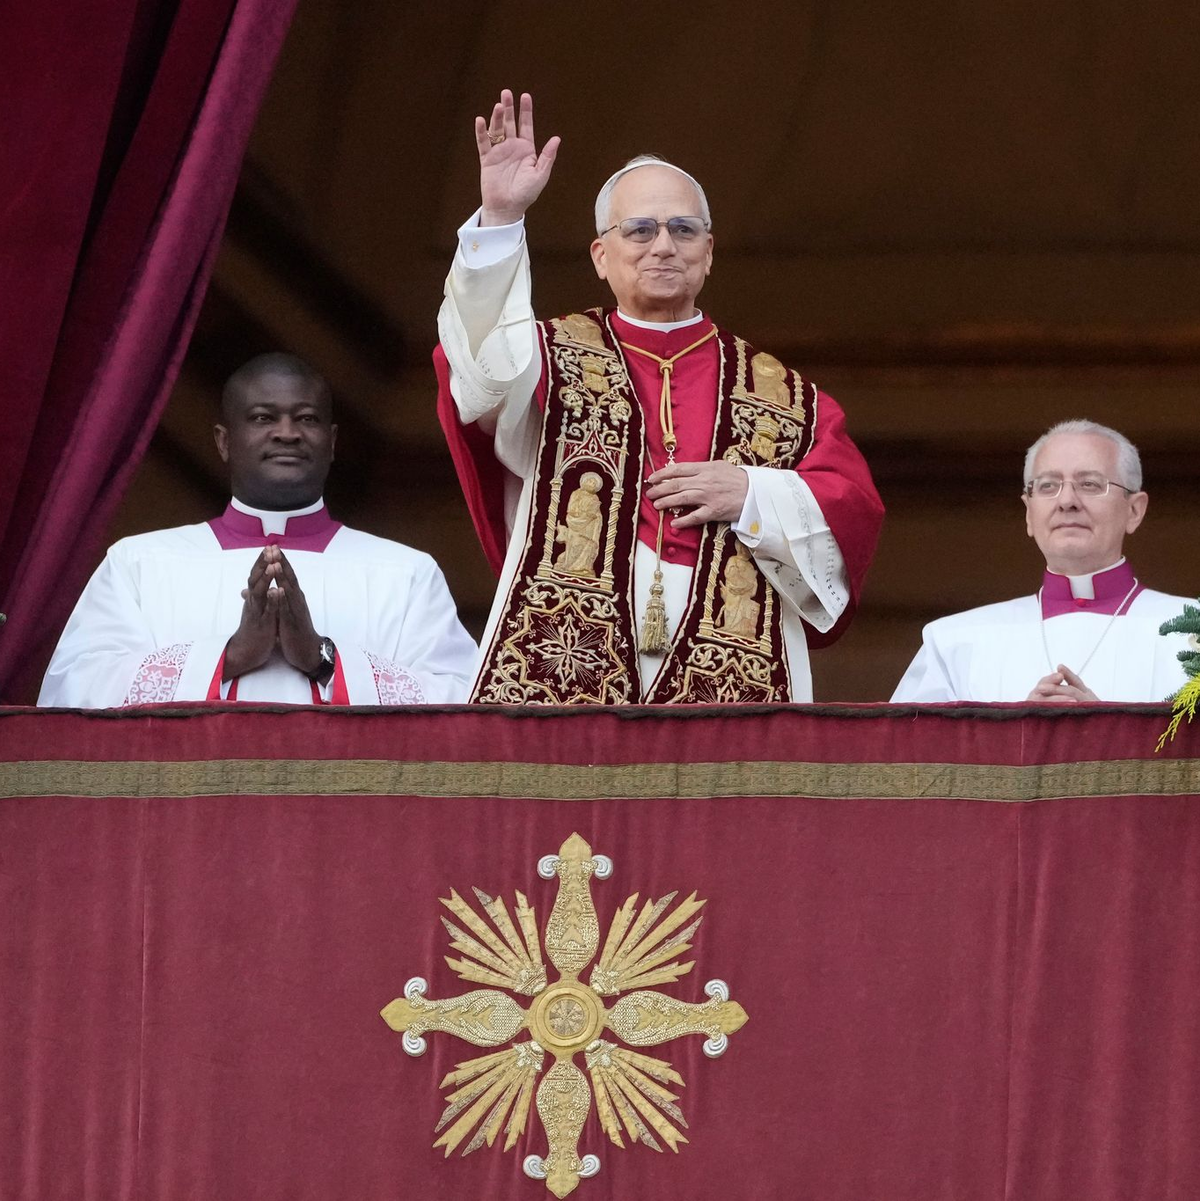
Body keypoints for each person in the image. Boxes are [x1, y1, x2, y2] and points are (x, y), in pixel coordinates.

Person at [436, 90, 884, 704]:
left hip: (733, 645)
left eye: (683, 229)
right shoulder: (544, 353)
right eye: (639, 229)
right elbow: (477, 364)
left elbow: (853, 507)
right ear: (601, 254)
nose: (663, 245)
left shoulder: (783, 392)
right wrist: (501, 219)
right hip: (563, 638)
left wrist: (753, 493)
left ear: (708, 253)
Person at [39, 354, 477, 707]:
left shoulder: (406, 573)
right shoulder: (138, 564)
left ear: (333, 441)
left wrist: (323, 658)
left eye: (306, 418)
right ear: (224, 441)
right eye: (264, 418)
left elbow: (463, 703)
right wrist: (227, 657)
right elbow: (75, 691)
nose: (287, 433)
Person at [891, 419, 1192, 703]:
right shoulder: (952, 643)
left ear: (1134, 511)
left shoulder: (1194, 632)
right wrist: (1019, 735)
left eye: (1090, 484)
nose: (1067, 501)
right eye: (1048, 486)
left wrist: (1110, 733)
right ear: (1028, 513)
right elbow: (906, 754)